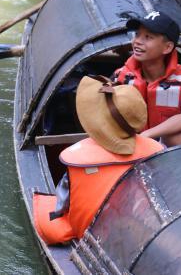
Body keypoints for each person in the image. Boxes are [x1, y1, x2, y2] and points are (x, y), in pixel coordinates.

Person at [33, 76, 163, 245]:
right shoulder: (156, 150)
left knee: (47, 214)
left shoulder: (77, 157)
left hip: (88, 231)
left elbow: (62, 204)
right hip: (136, 228)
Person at [113, 10, 181, 146]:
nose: (137, 41)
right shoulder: (122, 75)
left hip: (162, 146)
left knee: (177, 138)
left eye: (148, 37)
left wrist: (147, 135)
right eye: (137, 34)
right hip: (129, 144)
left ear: (167, 47)